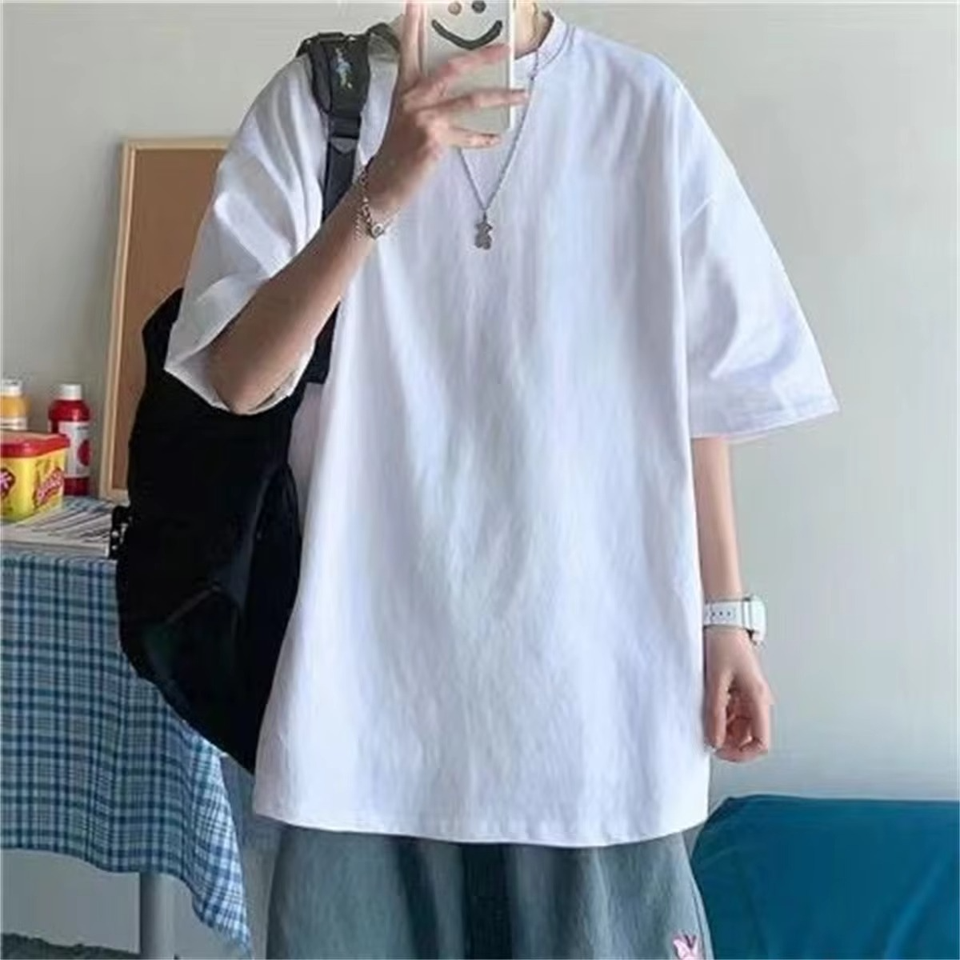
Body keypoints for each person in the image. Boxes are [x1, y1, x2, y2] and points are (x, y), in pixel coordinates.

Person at [166, 2, 839, 957]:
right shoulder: (320, 105)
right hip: (365, 708)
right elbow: (236, 378)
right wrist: (384, 187)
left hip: (596, 706)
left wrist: (725, 617)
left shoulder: (641, 107)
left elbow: (702, 394)